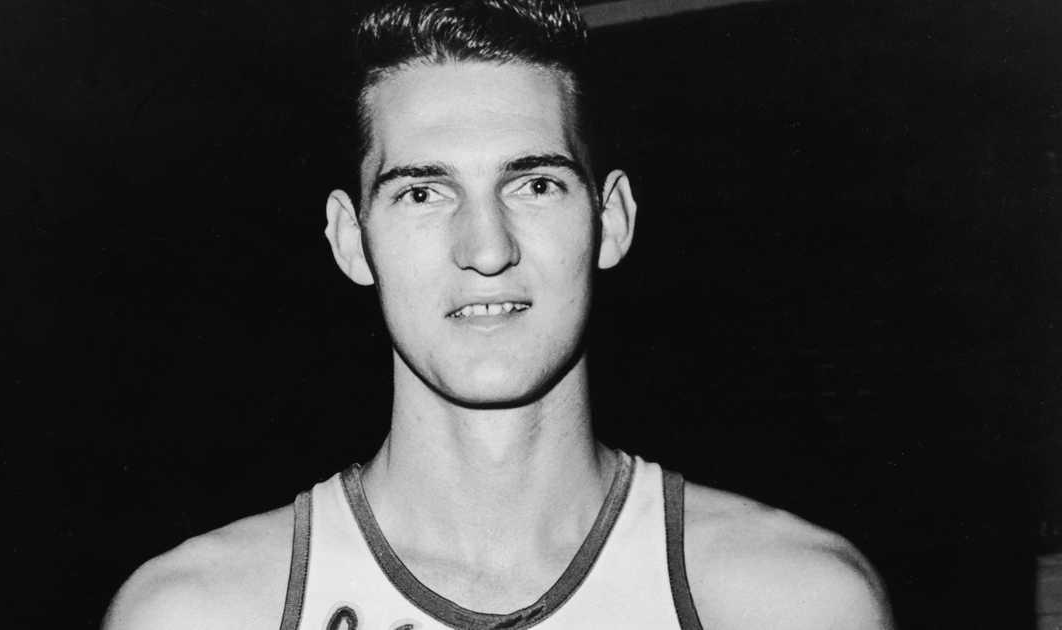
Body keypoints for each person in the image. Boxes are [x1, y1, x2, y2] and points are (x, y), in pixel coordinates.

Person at [104, 1, 894, 628]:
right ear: (351, 240)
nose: (486, 247)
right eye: (422, 192)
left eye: (535, 184)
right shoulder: (202, 613)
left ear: (610, 220)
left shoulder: (791, 605)